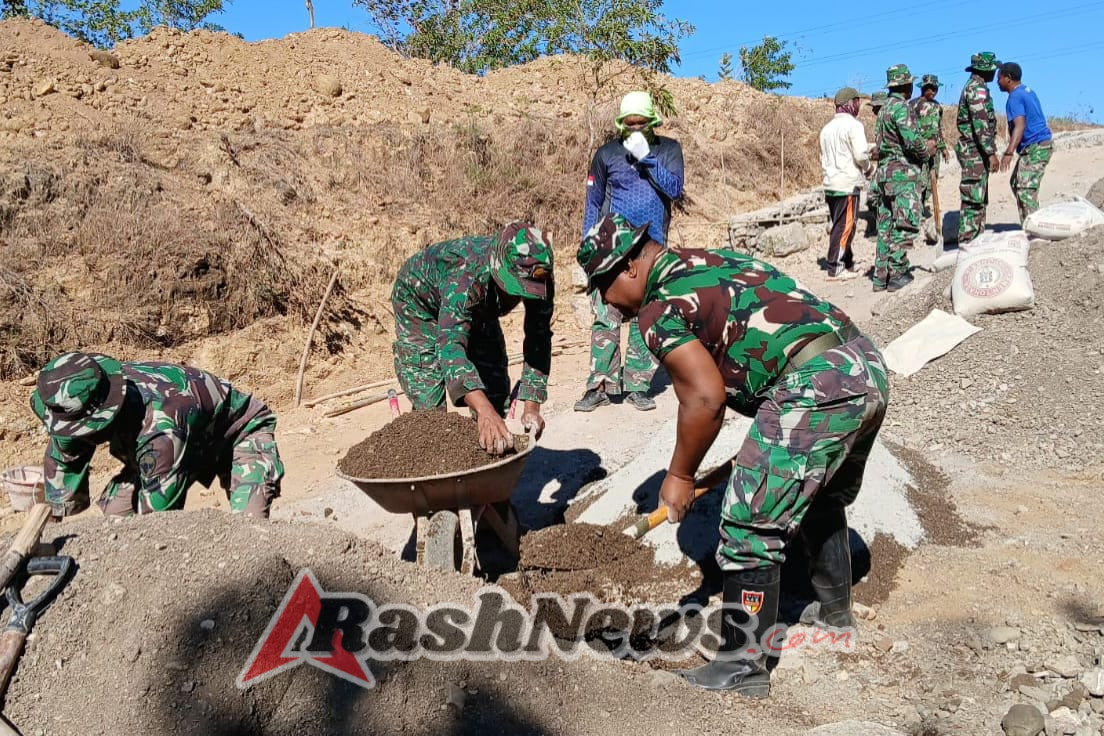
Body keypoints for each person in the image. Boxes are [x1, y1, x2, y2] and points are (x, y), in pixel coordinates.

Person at [576, 213, 888, 697]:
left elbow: (705, 399)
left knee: (747, 523)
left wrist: (681, 474)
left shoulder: (657, 308)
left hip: (815, 385)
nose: (605, 301)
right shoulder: (709, 260)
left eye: (603, 285)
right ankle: (833, 613)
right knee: (818, 495)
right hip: (863, 365)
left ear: (629, 268)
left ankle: (742, 666)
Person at [31, 352, 284, 519]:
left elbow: (158, 521)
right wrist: (48, 528)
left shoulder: (160, 428)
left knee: (249, 531)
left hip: (237, 436)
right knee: (115, 516)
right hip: (183, 439)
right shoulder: (71, 411)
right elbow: (62, 469)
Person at [391, 222, 553, 455]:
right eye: (516, 289)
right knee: (431, 413)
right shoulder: (467, 277)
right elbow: (451, 347)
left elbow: (539, 337)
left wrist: (532, 406)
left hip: (478, 306)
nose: (519, 298)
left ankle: (487, 460)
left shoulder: (538, 271)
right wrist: (483, 410)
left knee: (495, 394)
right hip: (419, 304)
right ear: (499, 271)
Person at [574, 90, 684, 413]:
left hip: (651, 248)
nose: (635, 129)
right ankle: (600, 384)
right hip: (612, 249)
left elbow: (675, 190)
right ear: (621, 124)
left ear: (652, 122)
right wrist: (587, 245)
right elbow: (593, 201)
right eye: (630, 124)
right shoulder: (607, 154)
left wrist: (647, 159)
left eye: (641, 123)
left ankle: (637, 385)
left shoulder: (668, 150)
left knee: (645, 315)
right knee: (605, 314)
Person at [873, 64, 936, 292]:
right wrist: (927, 151)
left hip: (885, 174)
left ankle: (881, 276)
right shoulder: (901, 108)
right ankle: (898, 272)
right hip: (902, 174)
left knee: (886, 226)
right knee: (905, 223)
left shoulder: (883, 109)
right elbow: (912, 141)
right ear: (906, 86)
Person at [819, 87, 871, 280]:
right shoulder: (854, 126)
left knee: (839, 224)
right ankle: (836, 267)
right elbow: (860, 155)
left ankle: (847, 262)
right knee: (846, 226)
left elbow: (823, 157)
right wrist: (868, 168)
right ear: (850, 103)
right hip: (847, 184)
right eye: (857, 102)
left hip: (830, 184)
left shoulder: (826, 129)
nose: (858, 106)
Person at [997, 61, 1054, 222]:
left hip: (1036, 146)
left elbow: (1020, 125)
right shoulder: (1026, 91)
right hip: (1037, 145)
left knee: (1025, 189)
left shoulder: (1014, 98)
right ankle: (1027, 224)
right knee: (1016, 182)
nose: (997, 82)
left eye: (999, 78)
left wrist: (1009, 152)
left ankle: (1035, 228)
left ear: (1008, 78)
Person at [955, 52, 1000, 244]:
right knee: (973, 199)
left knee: (979, 198)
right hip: (974, 151)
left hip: (976, 151)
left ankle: (977, 242)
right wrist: (991, 153)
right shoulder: (976, 89)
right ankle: (968, 242)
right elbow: (980, 123)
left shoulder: (977, 87)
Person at [910, 74, 950, 243]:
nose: (932, 91)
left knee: (932, 181)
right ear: (922, 88)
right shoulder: (914, 105)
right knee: (920, 181)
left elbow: (938, 129)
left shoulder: (937, 107)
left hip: (935, 151)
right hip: (920, 151)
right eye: (929, 88)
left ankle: (925, 213)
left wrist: (943, 147)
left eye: (934, 88)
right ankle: (916, 215)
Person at [864, 91, 889, 235]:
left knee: (876, 195)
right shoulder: (880, 121)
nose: (873, 110)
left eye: (876, 107)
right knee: (873, 196)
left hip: (893, 167)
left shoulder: (890, 120)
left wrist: (881, 152)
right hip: (883, 165)